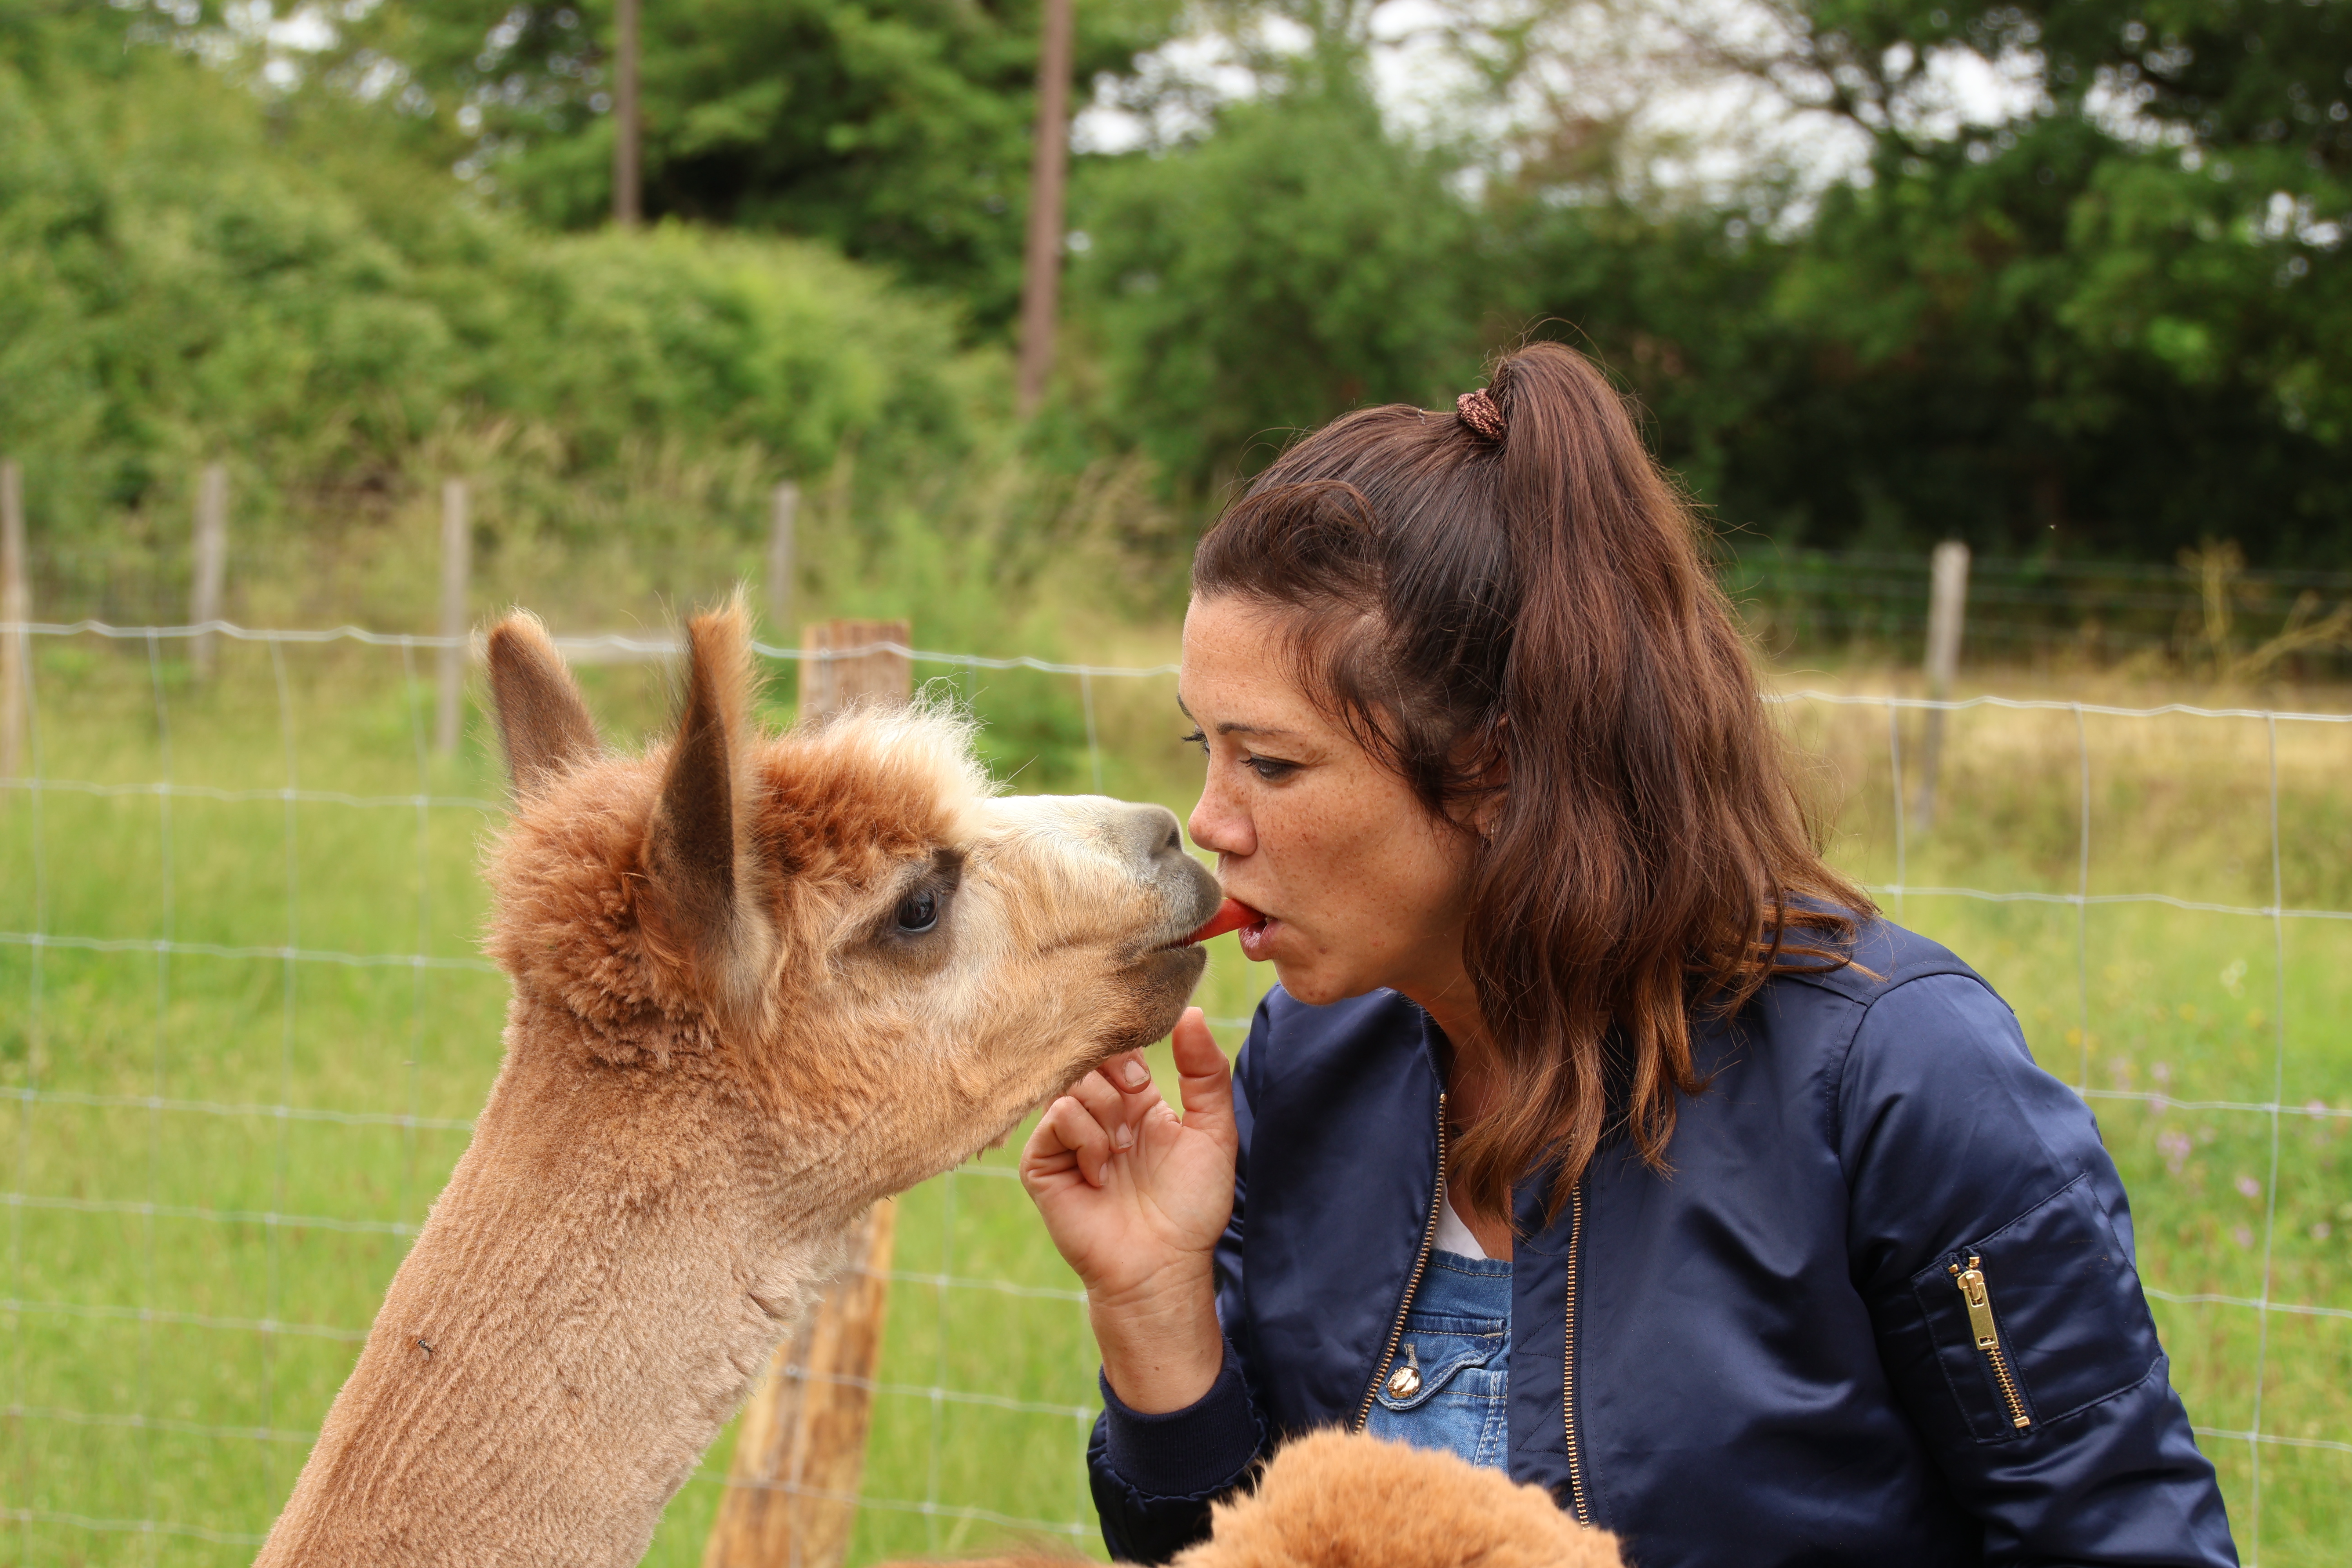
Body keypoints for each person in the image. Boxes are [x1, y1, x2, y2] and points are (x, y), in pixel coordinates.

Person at [1017, 342, 2238, 1566]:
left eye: (1271, 764)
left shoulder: (1902, 1077)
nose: (1213, 822)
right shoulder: (1309, 1058)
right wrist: (1153, 1301)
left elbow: (2125, 1534)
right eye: (1204, 749)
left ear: (1498, 763)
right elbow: (1219, 1547)